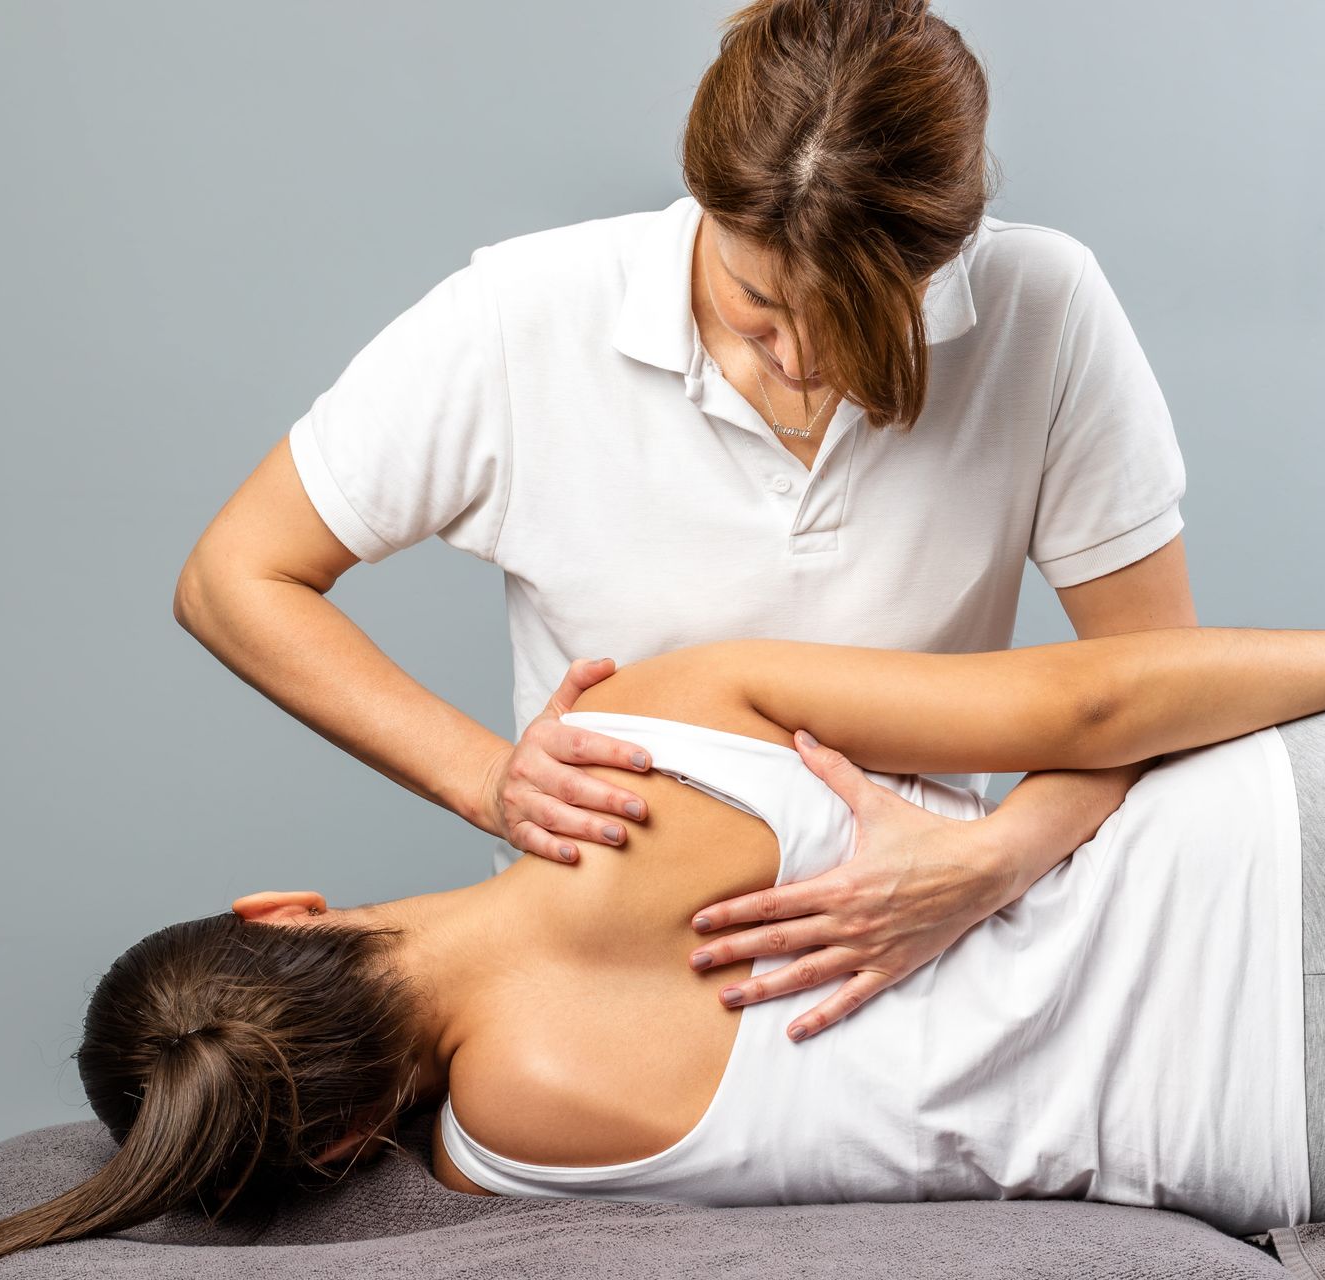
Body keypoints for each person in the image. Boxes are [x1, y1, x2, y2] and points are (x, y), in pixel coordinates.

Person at [0, 623, 1325, 1280]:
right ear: (282, 911)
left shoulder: (509, 1150)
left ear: (330, 1149)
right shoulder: (646, 726)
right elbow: (1099, 692)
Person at [173, 0, 1200, 1044]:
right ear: (702, 199)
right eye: (757, 300)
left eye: (854, 319)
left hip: (929, 963)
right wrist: (486, 777)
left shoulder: (1045, 307)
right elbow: (234, 577)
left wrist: (990, 860)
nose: (798, 356)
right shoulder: (526, 314)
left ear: (945, 255)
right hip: (607, 981)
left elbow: (1159, 682)